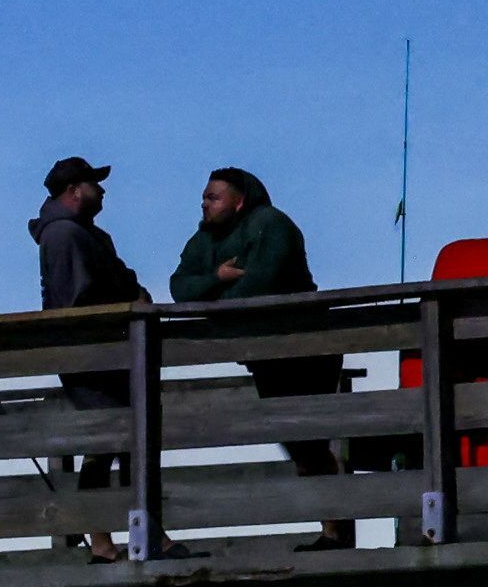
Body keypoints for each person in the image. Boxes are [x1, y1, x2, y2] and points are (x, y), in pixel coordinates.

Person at [175, 167, 352, 528]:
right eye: (205, 197)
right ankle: (332, 529)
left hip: (304, 349)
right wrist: (217, 279)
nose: (204, 204)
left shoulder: (270, 224)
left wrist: (214, 300)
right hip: (265, 355)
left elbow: (259, 285)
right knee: (298, 444)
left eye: (213, 197)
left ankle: (335, 531)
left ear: (238, 202)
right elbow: (180, 286)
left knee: (310, 443)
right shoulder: (204, 239)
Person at [31, 156, 145, 522]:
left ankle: (126, 534)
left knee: (116, 440)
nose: (102, 190)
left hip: (108, 353)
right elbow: (75, 301)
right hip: (90, 357)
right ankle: (101, 537)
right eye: (94, 184)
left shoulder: (83, 233)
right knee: (106, 439)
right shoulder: (64, 234)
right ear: (75, 190)